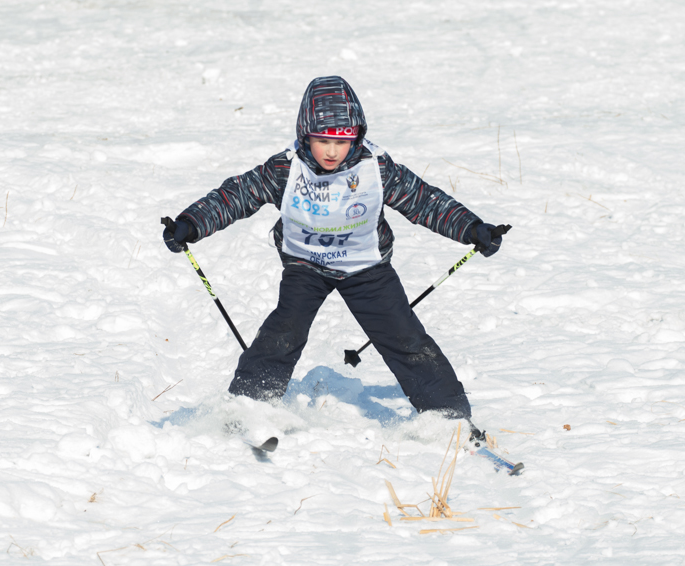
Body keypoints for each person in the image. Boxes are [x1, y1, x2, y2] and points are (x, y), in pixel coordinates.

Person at [162, 75, 507, 428]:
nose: (330, 151)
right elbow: (235, 195)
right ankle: (251, 403)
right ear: (305, 135)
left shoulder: (375, 167)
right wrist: (191, 224)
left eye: (341, 142)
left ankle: (446, 415)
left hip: (366, 267)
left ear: (355, 137)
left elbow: (424, 201)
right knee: (285, 330)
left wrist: (471, 228)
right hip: (305, 265)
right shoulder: (286, 168)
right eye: (322, 140)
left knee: (404, 335)